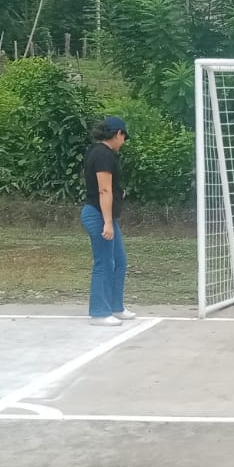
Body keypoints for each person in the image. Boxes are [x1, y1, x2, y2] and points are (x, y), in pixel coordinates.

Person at [82, 116, 135, 326]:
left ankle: (115, 307)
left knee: (119, 261)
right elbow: (104, 190)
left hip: (105, 215)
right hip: (98, 215)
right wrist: (107, 222)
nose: (123, 142)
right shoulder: (103, 155)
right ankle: (99, 312)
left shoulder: (100, 152)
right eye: (124, 137)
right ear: (118, 134)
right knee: (104, 262)